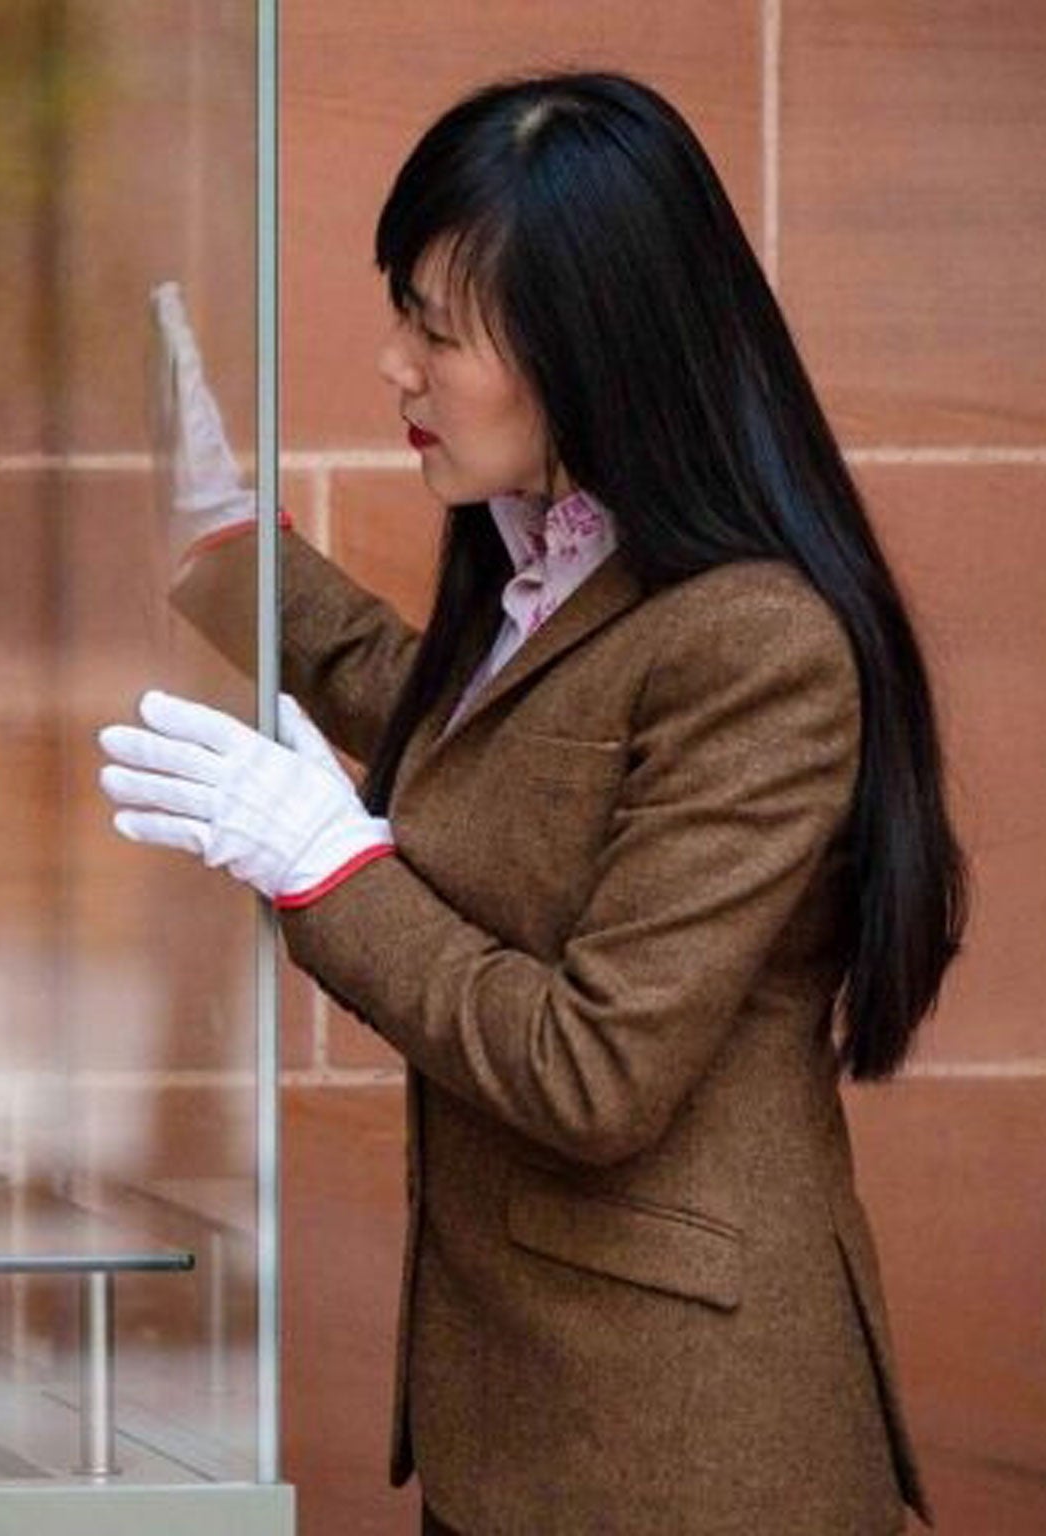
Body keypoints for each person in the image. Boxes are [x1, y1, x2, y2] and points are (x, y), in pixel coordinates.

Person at [99, 71, 966, 1535]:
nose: (395, 365)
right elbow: (472, 743)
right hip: (535, 1424)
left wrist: (328, 870)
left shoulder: (757, 644)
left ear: (589, 345)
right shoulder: (565, 556)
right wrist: (216, 539)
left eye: (438, 329)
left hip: (687, 1453)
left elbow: (594, 1076)